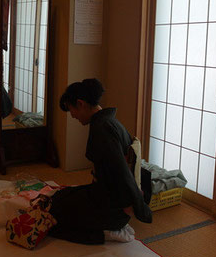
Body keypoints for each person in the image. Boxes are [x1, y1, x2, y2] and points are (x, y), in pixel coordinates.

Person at [48, 78, 152, 245]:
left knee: (56, 213)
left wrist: (128, 204)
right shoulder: (109, 122)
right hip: (110, 197)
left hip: (114, 208)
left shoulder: (102, 128)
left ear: (80, 104)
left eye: (71, 110)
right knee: (60, 196)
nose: (72, 115)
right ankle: (109, 224)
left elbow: (120, 171)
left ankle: (106, 232)